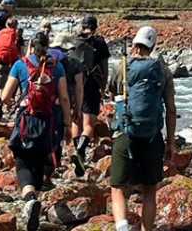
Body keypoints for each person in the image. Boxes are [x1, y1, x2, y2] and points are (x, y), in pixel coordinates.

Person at [0, 30, 70, 231]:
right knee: (41, 161)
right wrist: (67, 122)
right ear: (47, 47)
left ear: (31, 45)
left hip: (26, 121)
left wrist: (14, 102)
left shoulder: (20, 64)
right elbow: (64, 97)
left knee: (23, 162)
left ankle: (29, 198)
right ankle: (35, 199)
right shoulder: (57, 67)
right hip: (49, 122)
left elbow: (5, 96)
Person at [109, 25, 176, 231]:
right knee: (149, 190)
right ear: (153, 46)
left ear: (134, 44)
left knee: (117, 187)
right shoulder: (163, 70)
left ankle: (122, 226)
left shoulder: (122, 66)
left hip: (124, 132)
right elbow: (171, 110)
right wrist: (170, 142)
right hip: (152, 136)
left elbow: (112, 93)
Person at [69, 16, 110, 174]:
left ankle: (76, 150)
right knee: (89, 124)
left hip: (75, 84)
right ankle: (81, 149)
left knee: (76, 120)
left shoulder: (74, 41)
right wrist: (103, 85)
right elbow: (104, 67)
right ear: (95, 27)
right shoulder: (99, 42)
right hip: (92, 84)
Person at [48, 28, 88, 177]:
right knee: (59, 131)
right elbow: (79, 88)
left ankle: (47, 165)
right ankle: (56, 163)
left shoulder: (45, 59)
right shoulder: (74, 63)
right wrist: (77, 108)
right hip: (63, 101)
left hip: (45, 99)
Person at [0, 15, 24, 119]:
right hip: (12, 64)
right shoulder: (17, 35)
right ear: (16, 25)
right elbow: (21, 53)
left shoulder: (1, 33)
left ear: (6, 24)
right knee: (7, 87)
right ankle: (2, 108)